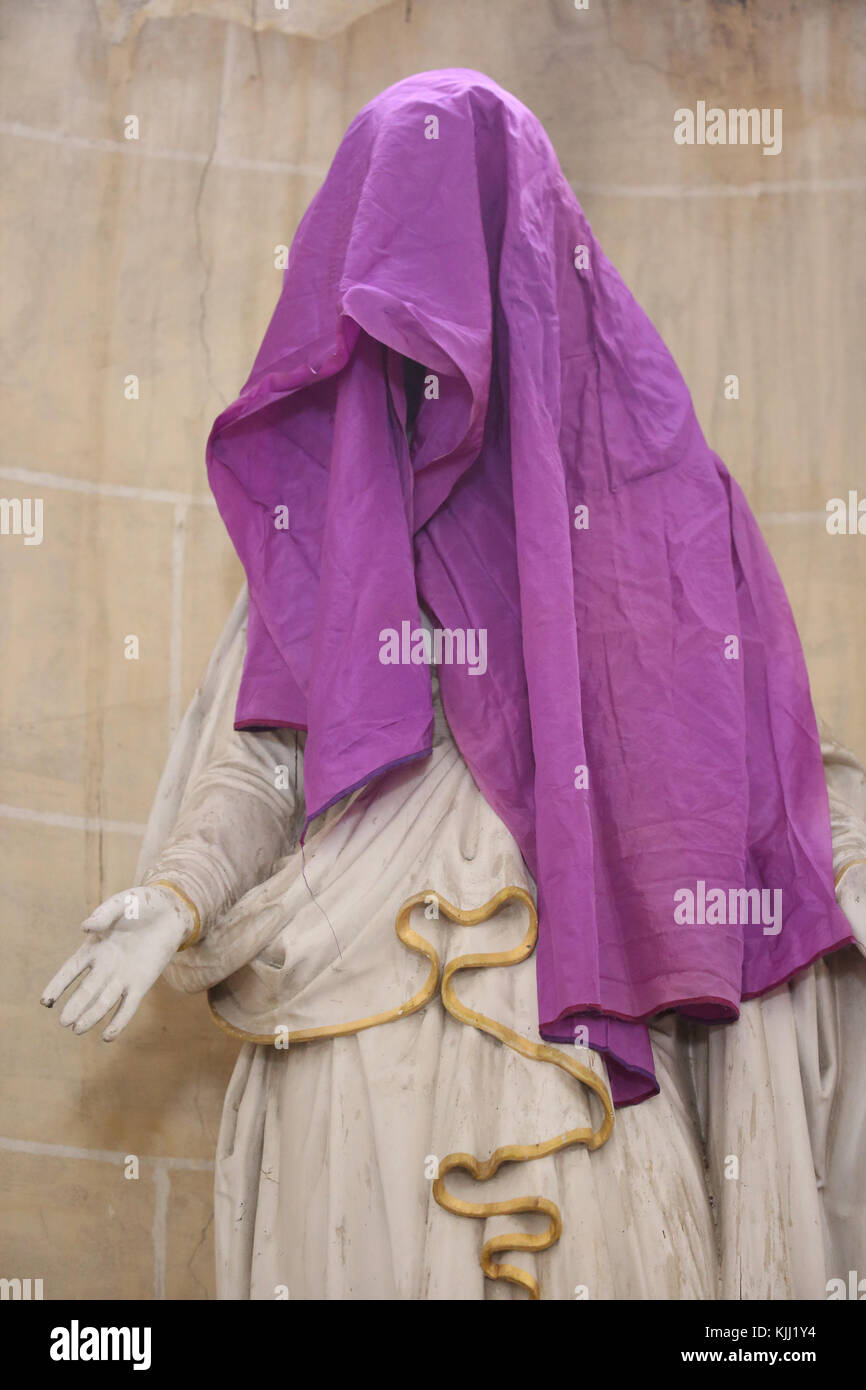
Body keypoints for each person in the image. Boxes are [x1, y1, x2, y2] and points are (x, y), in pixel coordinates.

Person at [42, 70, 866, 1300]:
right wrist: (177, 893)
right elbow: (267, 756)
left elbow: (759, 776)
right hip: (350, 1031)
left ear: (522, 261)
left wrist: (842, 872)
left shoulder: (660, 508)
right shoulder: (333, 513)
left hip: (573, 1019)